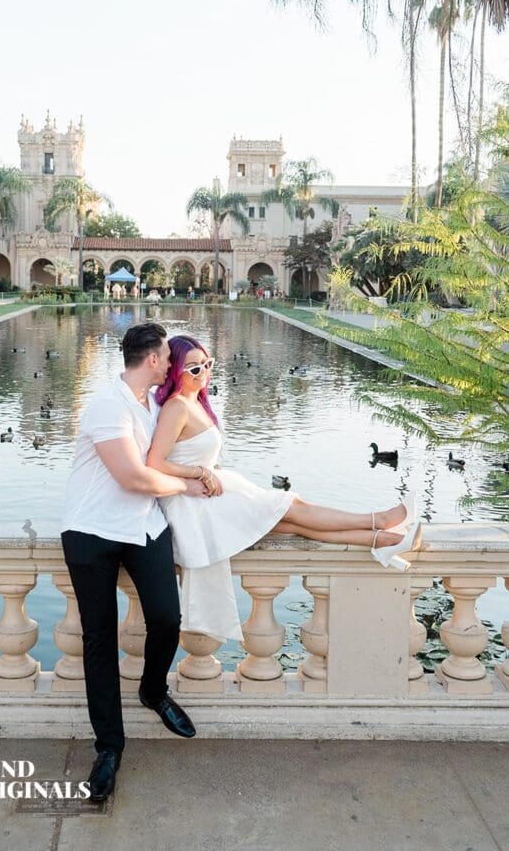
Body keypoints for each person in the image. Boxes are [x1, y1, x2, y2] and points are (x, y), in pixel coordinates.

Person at [146, 335, 421, 643]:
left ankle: (383, 540)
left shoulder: (195, 402)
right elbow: (154, 462)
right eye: (194, 368)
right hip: (195, 504)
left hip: (212, 491)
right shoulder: (176, 408)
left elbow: (189, 452)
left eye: (207, 365)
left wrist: (207, 470)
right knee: (293, 509)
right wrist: (197, 472)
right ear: (175, 371)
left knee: (293, 521)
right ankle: (380, 521)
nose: (204, 373)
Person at [61, 323, 204, 803]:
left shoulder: (158, 406)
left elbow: (168, 457)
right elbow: (133, 477)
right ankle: (108, 749)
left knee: (167, 618)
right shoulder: (107, 404)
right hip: (93, 532)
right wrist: (186, 486)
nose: (171, 363)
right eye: (167, 356)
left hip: (145, 528)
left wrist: (198, 472)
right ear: (152, 359)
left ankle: (152, 690)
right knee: (99, 638)